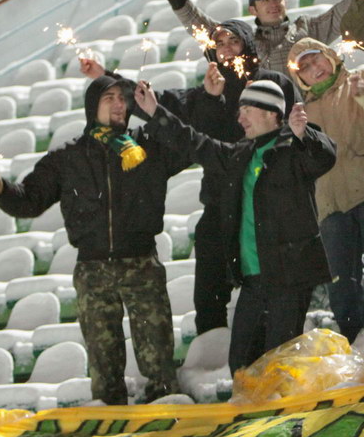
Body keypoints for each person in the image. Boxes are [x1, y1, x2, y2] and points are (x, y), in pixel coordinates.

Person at [0, 75, 189, 404]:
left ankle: (165, 411)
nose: (119, 104)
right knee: (104, 364)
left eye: (122, 98)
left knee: (157, 353)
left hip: (142, 264)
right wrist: (1, 190)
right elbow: (30, 200)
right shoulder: (68, 157)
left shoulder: (149, 146)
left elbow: (188, 142)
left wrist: (155, 109)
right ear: (93, 107)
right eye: (109, 98)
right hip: (92, 270)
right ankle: (109, 417)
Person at [82, 20, 300, 337]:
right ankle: (212, 349)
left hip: (267, 205)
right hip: (220, 204)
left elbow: (296, 130)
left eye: (233, 42)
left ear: (247, 45)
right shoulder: (205, 92)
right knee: (209, 295)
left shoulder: (273, 82)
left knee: (270, 291)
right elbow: (153, 103)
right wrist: (106, 77)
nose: (226, 49)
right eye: (219, 44)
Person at [135, 79, 337, 373]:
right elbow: (196, 143)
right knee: (241, 364)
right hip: (253, 280)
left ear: (270, 113)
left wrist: (303, 134)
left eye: (247, 110)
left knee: (280, 364)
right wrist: (156, 112)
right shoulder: (241, 154)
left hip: (288, 277)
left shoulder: (294, 148)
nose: (240, 118)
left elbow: (324, 156)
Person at [286, 37, 364, 343]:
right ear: (298, 77)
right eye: (304, 67)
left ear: (330, 56)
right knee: (341, 286)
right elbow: (301, 168)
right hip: (330, 204)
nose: (314, 69)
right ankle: (356, 349)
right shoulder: (303, 112)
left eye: (316, 59)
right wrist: (297, 136)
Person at [152, 0, 364, 76]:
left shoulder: (307, 28)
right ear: (252, 9)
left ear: (285, 2)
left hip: (308, 119)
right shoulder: (244, 40)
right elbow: (203, 27)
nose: (273, 4)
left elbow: (343, 12)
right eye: (265, 0)